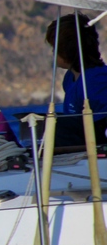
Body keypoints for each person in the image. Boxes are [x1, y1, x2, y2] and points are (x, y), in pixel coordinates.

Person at [45, 13, 107, 147]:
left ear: (67, 50)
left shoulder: (97, 80)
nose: (52, 53)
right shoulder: (69, 78)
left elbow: (101, 126)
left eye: (55, 48)